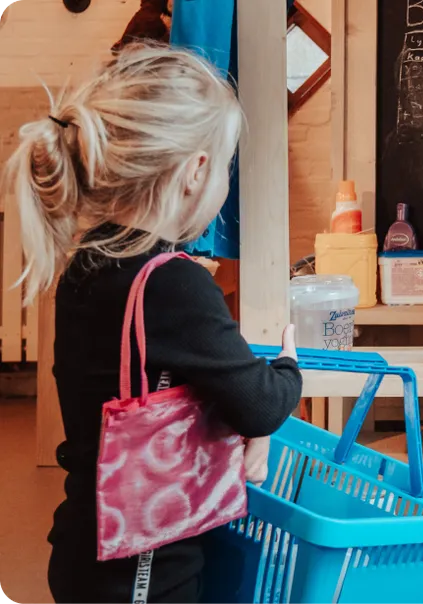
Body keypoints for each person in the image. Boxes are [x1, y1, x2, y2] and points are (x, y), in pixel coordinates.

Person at [4, 43, 302, 603]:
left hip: (85, 541)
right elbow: (261, 404)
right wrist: (287, 366)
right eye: (225, 167)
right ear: (196, 171)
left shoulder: (89, 262)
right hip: (145, 565)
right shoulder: (173, 283)